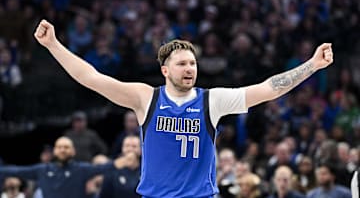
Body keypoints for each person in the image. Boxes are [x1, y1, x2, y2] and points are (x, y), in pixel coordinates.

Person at [34, 19, 334, 198]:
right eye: (182, 64)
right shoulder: (145, 98)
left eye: (193, 63)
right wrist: (53, 45)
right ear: (166, 70)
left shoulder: (211, 100)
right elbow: (92, 78)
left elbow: (269, 89)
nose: (190, 68)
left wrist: (312, 65)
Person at [0, 137, 121, 198]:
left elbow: (106, 167)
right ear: (55, 151)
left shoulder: (82, 169)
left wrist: (124, 161)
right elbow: (16, 170)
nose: (63, 150)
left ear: (73, 151)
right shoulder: (42, 170)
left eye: (66, 147)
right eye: (59, 147)